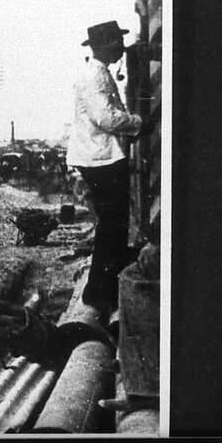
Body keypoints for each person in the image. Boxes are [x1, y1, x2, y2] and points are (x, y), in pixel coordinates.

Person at [66, 21, 147, 316]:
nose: (120, 48)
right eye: (116, 43)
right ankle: (99, 292)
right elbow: (105, 119)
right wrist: (139, 123)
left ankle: (103, 289)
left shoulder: (98, 73)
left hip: (99, 156)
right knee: (112, 224)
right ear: (105, 45)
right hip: (99, 158)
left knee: (112, 223)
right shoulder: (94, 77)